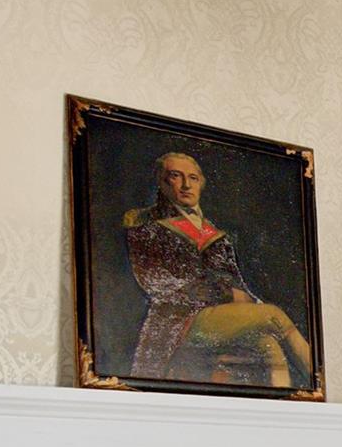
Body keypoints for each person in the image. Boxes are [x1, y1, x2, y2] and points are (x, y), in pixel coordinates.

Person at [123, 151, 312, 387]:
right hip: (178, 320)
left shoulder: (214, 233)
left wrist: (247, 299)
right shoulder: (146, 225)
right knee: (273, 316)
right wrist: (225, 293)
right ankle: (320, 381)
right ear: (162, 183)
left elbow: (235, 281)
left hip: (221, 318)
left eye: (193, 178)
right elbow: (156, 282)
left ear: (201, 183)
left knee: (269, 344)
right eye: (175, 176)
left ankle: (291, 408)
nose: (185, 185)